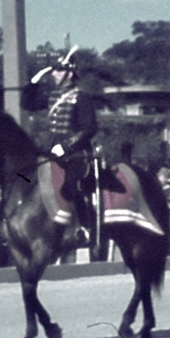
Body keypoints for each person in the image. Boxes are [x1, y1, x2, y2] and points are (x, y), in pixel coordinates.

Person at [38, 50, 100, 237]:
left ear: (69, 74)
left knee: (72, 184)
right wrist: (34, 80)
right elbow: (26, 102)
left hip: (75, 153)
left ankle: (84, 226)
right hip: (51, 149)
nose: (54, 74)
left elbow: (90, 128)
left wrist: (66, 146)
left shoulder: (82, 97)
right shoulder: (52, 96)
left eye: (58, 70)